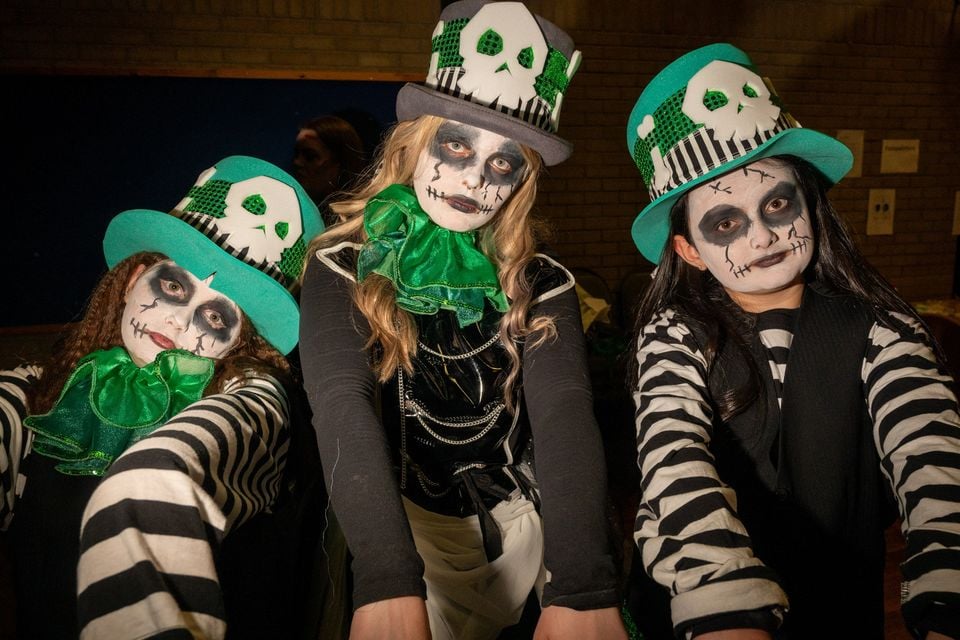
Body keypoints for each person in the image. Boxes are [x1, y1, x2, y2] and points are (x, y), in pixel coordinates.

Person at [298, 2, 627, 639]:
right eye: (456, 143)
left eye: (504, 162)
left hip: (523, 539)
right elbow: (342, 405)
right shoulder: (341, 266)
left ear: (520, 181)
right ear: (415, 142)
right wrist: (389, 578)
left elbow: (563, 414)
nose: (475, 177)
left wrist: (583, 580)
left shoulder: (543, 282)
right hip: (392, 532)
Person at [623, 43, 960, 639]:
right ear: (689, 250)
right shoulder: (675, 337)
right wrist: (725, 604)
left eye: (777, 202)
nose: (763, 234)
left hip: (838, 610)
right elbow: (674, 461)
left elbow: (936, 466)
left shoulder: (883, 331)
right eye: (725, 221)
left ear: (811, 205)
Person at [0, 155, 324, 638]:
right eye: (174, 286)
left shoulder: (253, 403)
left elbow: (193, 455)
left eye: (216, 317)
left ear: (239, 340)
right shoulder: (39, 390)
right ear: (135, 279)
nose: (179, 320)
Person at [293, 114, 367, 221]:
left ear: (340, 163)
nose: (297, 162)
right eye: (295, 154)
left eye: (310, 156)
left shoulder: (361, 220)